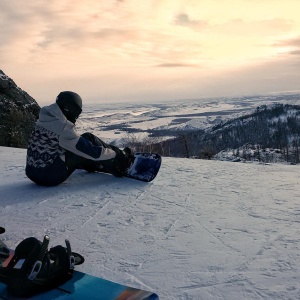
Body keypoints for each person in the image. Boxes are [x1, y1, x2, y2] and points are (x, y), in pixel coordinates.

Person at [25, 91, 134, 186]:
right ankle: (121, 165)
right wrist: (116, 153)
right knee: (88, 139)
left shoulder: (45, 119)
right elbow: (93, 152)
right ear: (71, 109)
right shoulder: (62, 127)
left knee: (80, 144)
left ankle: (92, 164)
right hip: (50, 177)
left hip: (33, 172)